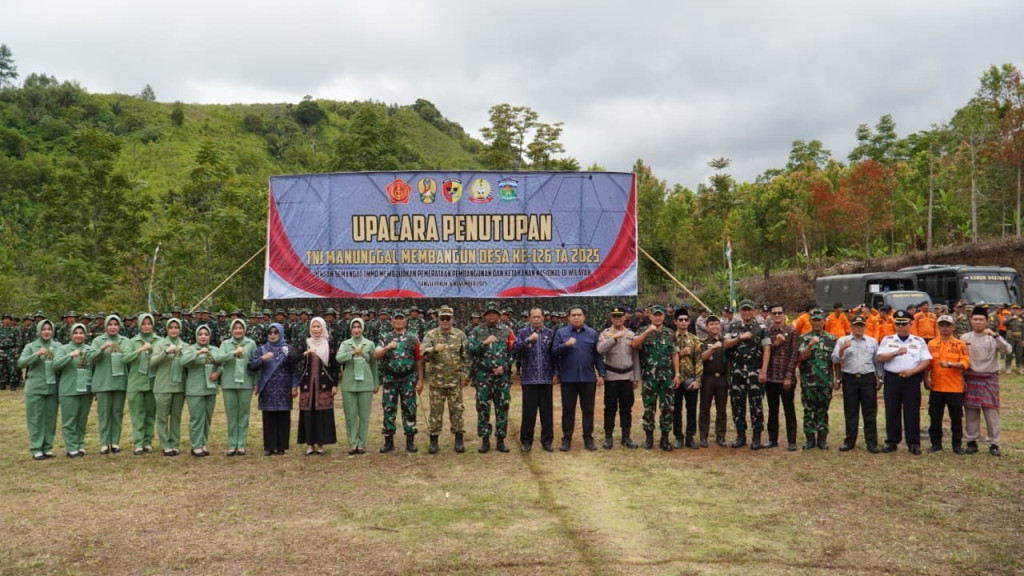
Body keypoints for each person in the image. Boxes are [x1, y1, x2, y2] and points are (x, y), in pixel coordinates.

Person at [876, 310, 932, 455]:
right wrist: (895, 353)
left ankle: (913, 443)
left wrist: (913, 371)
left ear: (910, 324)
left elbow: (926, 360)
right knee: (892, 410)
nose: (900, 327)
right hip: (892, 379)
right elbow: (880, 357)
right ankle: (892, 441)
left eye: (903, 324)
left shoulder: (918, 341)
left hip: (911, 380)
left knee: (912, 411)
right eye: (898, 324)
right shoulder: (888, 340)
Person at [959, 306, 1012, 457]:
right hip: (971, 377)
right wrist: (962, 379)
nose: (978, 322)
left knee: (991, 412)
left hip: (989, 378)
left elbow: (1008, 350)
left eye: (981, 319)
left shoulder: (993, 337)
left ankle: (994, 443)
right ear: (971, 320)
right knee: (971, 412)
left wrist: (996, 336)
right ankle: (971, 441)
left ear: (987, 321)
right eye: (975, 319)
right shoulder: (965, 338)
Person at [552, 306, 605, 452]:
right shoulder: (561, 333)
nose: (576, 317)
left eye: (579, 315)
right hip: (568, 378)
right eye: (573, 315)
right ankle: (566, 439)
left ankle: (588, 438)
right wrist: (565, 345)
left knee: (588, 410)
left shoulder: (592, 333)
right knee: (568, 410)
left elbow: (597, 355)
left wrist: (601, 374)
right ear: (568, 318)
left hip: (588, 378)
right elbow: (554, 352)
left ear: (584, 317)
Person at [421, 305, 470, 454]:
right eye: (442, 318)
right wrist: (433, 349)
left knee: (457, 411)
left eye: (447, 318)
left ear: (452, 319)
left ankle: (459, 440)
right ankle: (434, 441)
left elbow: (466, 357)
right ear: (438, 319)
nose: (445, 321)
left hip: (455, 381)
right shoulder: (431, 335)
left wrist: (465, 376)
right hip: (437, 382)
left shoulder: (460, 335)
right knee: (435, 412)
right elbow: (422, 353)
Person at [723, 299, 771, 449]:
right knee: (737, 404)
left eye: (749, 310)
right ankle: (740, 436)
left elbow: (767, 350)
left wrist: (764, 371)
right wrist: (739, 338)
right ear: (740, 312)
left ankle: (756, 437)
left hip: (754, 370)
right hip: (737, 371)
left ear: (754, 311)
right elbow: (726, 344)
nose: (746, 312)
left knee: (756, 404)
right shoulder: (734, 326)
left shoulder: (761, 328)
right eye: (744, 310)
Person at [468, 303, 515, 453]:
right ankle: (485, 440)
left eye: (495, 313)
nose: (492, 316)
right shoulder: (477, 331)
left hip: (501, 377)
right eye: (489, 313)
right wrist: (484, 343)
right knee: (483, 408)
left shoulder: (507, 331)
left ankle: (500, 439)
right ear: (485, 315)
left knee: (502, 407)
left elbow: (513, 352)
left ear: (499, 315)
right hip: (483, 376)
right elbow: (470, 350)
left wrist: (504, 367)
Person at [375, 309, 423, 453]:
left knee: (410, 409)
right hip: (390, 379)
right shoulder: (385, 337)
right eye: (396, 318)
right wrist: (387, 347)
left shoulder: (413, 338)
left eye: (401, 318)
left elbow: (419, 359)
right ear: (392, 321)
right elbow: (376, 355)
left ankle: (410, 441)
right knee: (389, 409)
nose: (398, 321)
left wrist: (420, 380)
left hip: (408, 379)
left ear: (405, 321)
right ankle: (388, 441)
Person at [631, 304, 679, 451]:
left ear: (664, 316)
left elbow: (674, 354)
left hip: (667, 377)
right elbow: (634, 345)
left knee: (667, 408)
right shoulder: (642, 330)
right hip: (649, 378)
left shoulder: (670, 333)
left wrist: (677, 373)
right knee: (649, 408)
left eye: (660, 315)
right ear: (650, 316)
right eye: (655, 315)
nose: (658, 317)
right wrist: (647, 331)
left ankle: (665, 439)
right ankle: (649, 438)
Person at [832, 315, 882, 452]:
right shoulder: (843, 340)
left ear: (865, 327)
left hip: (867, 378)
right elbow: (835, 360)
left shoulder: (872, 342)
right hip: (850, 378)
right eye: (856, 325)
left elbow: (877, 361)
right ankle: (849, 442)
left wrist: (880, 377)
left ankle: (871, 443)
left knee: (870, 412)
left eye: (861, 325)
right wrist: (842, 349)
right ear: (851, 327)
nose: (859, 328)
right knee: (850, 411)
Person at [248, 322, 296, 456]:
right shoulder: (262, 349)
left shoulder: (288, 349)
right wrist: (262, 359)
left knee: (283, 417)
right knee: (269, 418)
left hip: (284, 389)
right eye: (270, 333)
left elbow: (294, 370)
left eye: (276, 332)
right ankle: (270, 446)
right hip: (268, 389)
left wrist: (294, 386)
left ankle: (281, 446)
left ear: (281, 333)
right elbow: (251, 366)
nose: (273, 335)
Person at [596, 305, 640, 449]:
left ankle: (626, 437)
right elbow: (599, 349)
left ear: (624, 317)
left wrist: (636, 377)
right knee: (610, 408)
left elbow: (635, 356)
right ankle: (608, 437)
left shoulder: (631, 334)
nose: (617, 319)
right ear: (611, 318)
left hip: (627, 376)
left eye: (619, 316)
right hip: (612, 376)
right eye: (614, 317)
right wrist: (613, 339)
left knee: (626, 408)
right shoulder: (606, 333)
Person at [924, 315, 969, 454]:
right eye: (942, 325)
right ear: (938, 327)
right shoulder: (931, 344)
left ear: (953, 327)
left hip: (954, 387)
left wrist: (950, 364)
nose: (944, 328)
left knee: (956, 418)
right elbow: (927, 364)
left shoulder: (960, 344)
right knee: (935, 416)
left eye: (947, 325)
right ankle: (936, 444)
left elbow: (965, 363)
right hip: (936, 386)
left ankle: (957, 445)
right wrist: (926, 379)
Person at [514, 307, 557, 452]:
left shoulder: (550, 333)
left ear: (543, 317)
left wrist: (556, 372)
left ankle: (547, 441)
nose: (536, 319)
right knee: (528, 412)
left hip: (546, 378)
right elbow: (515, 350)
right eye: (533, 317)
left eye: (539, 317)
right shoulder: (523, 332)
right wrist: (528, 340)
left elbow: (554, 354)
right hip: (529, 379)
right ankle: (526, 441)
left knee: (547, 412)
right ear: (529, 318)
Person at [212, 318, 257, 456]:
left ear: (244, 329)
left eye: (240, 328)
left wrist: (256, 382)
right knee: (231, 414)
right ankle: (232, 444)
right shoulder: (225, 344)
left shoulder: (251, 343)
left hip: (246, 383)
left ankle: (241, 444)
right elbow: (218, 359)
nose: (238, 330)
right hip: (229, 383)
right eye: (235, 328)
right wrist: (233, 353)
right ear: (231, 330)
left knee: (243, 414)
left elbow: (255, 363)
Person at [87, 315, 130, 454]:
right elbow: (90, 358)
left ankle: (115, 442)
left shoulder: (125, 341)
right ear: (105, 326)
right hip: (103, 382)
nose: (112, 327)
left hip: (120, 381)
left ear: (119, 326)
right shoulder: (98, 340)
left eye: (115, 324)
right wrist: (101, 349)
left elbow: (130, 359)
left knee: (117, 413)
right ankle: (105, 443)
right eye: (110, 324)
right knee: (104, 414)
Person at [295, 317, 338, 455]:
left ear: (323, 328)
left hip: (324, 383)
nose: (316, 329)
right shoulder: (306, 342)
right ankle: (309, 444)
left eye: (318, 326)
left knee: (322, 413)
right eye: (313, 326)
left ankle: (320, 444)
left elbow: (335, 365)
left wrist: (335, 384)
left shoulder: (329, 343)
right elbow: (294, 359)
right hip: (307, 384)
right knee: (308, 412)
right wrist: (305, 353)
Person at [336, 318, 379, 455]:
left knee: (364, 415)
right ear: (350, 329)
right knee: (350, 415)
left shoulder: (370, 344)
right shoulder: (345, 344)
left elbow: (374, 364)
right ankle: (352, 443)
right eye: (354, 327)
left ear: (363, 328)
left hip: (366, 383)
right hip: (349, 383)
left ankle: (362, 443)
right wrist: (352, 353)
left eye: (358, 327)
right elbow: (339, 358)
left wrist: (376, 383)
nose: (356, 330)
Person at [19, 319, 60, 460]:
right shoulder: (31, 346)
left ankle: (47, 447)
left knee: (50, 419)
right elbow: (21, 363)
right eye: (43, 329)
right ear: (38, 331)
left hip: (52, 388)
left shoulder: (58, 346)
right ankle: (36, 448)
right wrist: (36, 354)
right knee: (35, 419)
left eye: (49, 329)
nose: (46, 331)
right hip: (35, 388)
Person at [797, 309, 837, 450]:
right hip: (809, 381)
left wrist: (837, 379)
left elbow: (836, 361)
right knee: (809, 410)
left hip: (825, 381)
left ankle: (822, 439)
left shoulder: (831, 339)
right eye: (814, 320)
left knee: (823, 410)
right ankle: (810, 439)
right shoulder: (804, 338)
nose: (817, 323)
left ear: (824, 321)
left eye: (819, 320)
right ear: (810, 322)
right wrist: (810, 344)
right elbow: (802, 356)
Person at [53, 323, 93, 458]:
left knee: (82, 420)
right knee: (70, 420)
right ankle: (71, 447)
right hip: (69, 389)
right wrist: (69, 355)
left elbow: (94, 368)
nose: (78, 335)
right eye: (76, 333)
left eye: (81, 333)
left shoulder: (89, 349)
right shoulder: (64, 349)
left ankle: (80, 444)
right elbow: (55, 365)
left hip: (86, 390)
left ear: (85, 335)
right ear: (71, 334)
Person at [122, 313, 158, 455]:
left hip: (153, 383)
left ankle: (147, 442)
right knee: (138, 414)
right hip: (136, 382)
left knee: (150, 414)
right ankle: (138, 443)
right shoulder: (133, 342)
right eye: (144, 323)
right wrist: (140, 350)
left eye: (149, 323)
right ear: (139, 325)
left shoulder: (159, 341)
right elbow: (124, 358)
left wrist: (153, 350)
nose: (146, 326)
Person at [765, 303, 800, 451]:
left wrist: (788, 376)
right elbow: (765, 352)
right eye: (774, 313)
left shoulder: (792, 332)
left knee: (789, 409)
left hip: (786, 378)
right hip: (771, 377)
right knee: (772, 410)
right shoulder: (768, 332)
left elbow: (794, 355)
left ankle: (792, 440)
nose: (777, 315)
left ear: (784, 315)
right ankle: (772, 439)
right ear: (770, 316)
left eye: (780, 313)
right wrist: (776, 343)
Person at [151, 318, 187, 456]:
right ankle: (165, 445)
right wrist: (165, 352)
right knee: (162, 417)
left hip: (179, 386)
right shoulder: (160, 344)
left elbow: (189, 362)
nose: (173, 330)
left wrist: (183, 354)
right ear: (167, 329)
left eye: (176, 327)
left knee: (176, 417)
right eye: (171, 327)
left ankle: (175, 444)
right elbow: (152, 362)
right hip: (163, 386)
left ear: (180, 329)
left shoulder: (185, 345)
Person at [182, 325, 219, 457]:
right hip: (195, 389)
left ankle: (203, 443)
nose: (203, 336)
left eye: (206, 334)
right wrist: (197, 353)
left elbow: (222, 363)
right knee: (197, 418)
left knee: (207, 418)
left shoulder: (214, 349)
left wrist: (218, 373)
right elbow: (182, 361)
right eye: (200, 334)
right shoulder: (190, 349)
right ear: (196, 336)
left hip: (210, 388)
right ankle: (195, 445)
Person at [672, 309, 703, 449]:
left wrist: (698, 380)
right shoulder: (670, 338)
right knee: (676, 409)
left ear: (689, 322)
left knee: (691, 409)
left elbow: (699, 361)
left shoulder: (694, 339)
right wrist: (680, 353)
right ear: (675, 322)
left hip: (690, 379)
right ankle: (678, 436)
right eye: (680, 320)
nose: (683, 322)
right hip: (675, 379)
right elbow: (665, 358)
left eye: (686, 319)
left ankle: (690, 437)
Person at [697, 315, 729, 447]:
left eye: (716, 324)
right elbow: (702, 357)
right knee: (705, 408)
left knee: (721, 409)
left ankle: (720, 436)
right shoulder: (703, 341)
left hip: (722, 378)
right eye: (711, 324)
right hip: (707, 378)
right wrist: (713, 348)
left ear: (720, 325)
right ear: (707, 327)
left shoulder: (726, 341)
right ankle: (703, 437)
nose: (714, 326)